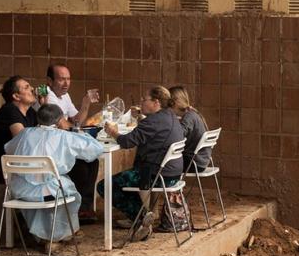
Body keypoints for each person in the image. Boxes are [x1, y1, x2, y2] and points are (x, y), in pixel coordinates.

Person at [3, 104, 104, 243]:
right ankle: (58, 236)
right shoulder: (64, 136)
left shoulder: (25, 133)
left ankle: (42, 235)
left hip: (21, 191)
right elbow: (96, 149)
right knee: (67, 190)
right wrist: (75, 131)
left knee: (52, 185)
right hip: (50, 192)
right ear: (60, 120)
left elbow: (9, 148)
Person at [99, 86, 186, 239]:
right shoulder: (170, 116)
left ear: (156, 102)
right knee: (130, 175)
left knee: (105, 185)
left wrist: (112, 132)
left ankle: (140, 218)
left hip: (156, 177)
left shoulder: (153, 122)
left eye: (144, 99)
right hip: (173, 175)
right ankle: (141, 215)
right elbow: (150, 131)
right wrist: (141, 119)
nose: (141, 102)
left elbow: (127, 142)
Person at [36, 63, 101, 223]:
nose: (66, 83)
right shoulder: (48, 97)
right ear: (50, 81)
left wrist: (85, 105)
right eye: (61, 79)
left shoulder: (64, 96)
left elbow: (76, 121)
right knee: (81, 165)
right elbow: (65, 126)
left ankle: (84, 208)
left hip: (63, 142)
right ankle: (78, 209)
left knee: (92, 161)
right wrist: (76, 128)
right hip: (52, 148)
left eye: (68, 79)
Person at [0, 76, 39, 184]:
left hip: (13, 164)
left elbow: (48, 129)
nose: (32, 89)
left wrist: (44, 104)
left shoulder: (30, 112)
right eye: (26, 87)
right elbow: (23, 142)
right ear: (16, 96)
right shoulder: (9, 110)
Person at [167, 87, 211, 174]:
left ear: (173, 103)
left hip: (193, 163)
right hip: (201, 161)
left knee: (158, 162)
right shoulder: (192, 114)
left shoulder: (189, 117)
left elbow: (177, 137)